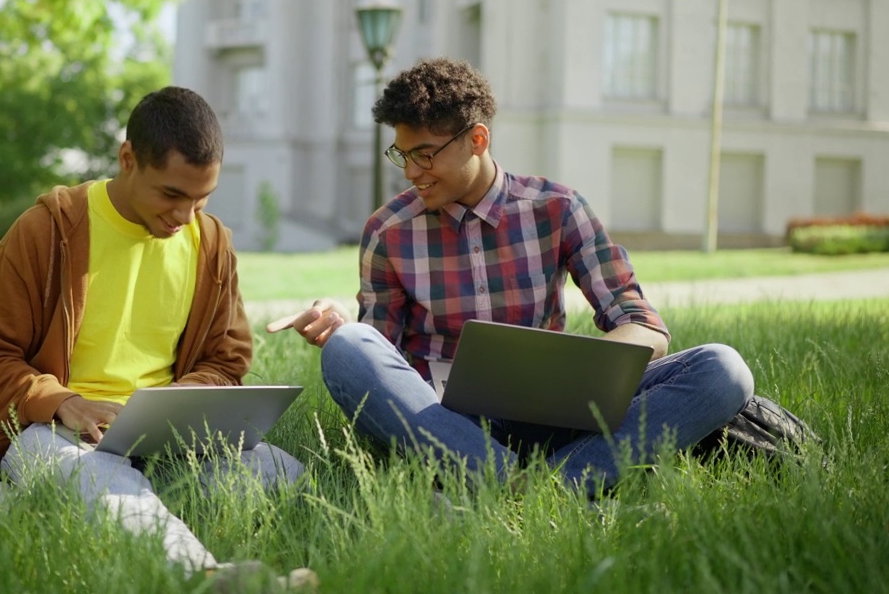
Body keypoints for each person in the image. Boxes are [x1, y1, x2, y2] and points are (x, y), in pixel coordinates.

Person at [272, 58, 754, 495]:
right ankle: (540, 487)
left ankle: (538, 488)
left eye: (425, 154)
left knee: (722, 369)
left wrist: (581, 376)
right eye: (402, 156)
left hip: (556, 414)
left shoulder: (558, 209)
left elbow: (642, 324)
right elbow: (381, 359)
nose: (412, 172)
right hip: (444, 423)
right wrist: (344, 329)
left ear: (477, 139)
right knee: (348, 349)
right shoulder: (388, 230)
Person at [0, 86, 315, 589]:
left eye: (201, 198)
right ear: (128, 159)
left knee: (284, 475)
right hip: (58, 436)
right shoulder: (47, 231)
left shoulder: (211, 245)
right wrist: (62, 401)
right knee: (83, 472)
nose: (185, 215)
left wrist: (189, 395)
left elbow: (225, 359)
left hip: (168, 440)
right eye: (171, 194)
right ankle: (204, 576)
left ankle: (44, 504)